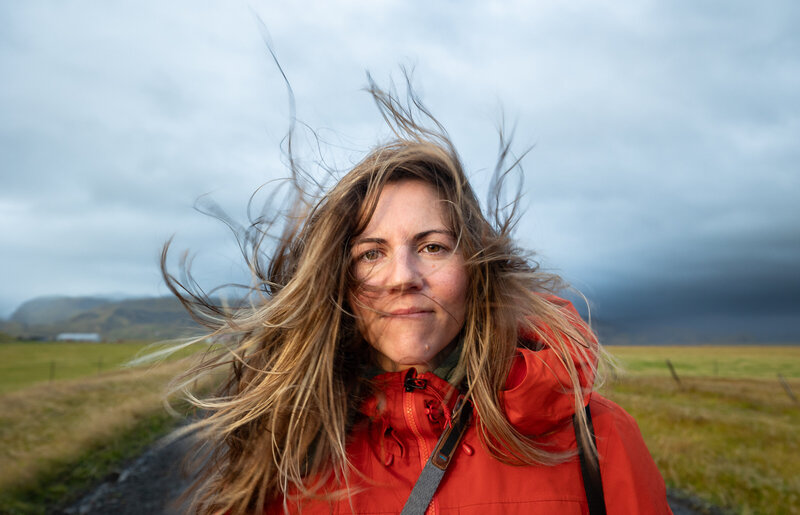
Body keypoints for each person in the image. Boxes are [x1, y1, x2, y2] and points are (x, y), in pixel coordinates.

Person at [163, 77, 672, 515]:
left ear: (476, 269)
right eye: (371, 253)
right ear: (337, 281)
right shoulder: (288, 446)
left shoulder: (596, 439)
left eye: (432, 247)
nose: (402, 276)